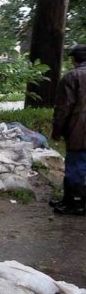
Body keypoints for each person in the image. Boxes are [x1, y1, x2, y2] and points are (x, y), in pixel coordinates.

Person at [50, 44, 86, 215]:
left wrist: (57, 131)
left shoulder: (71, 77)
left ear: (74, 59)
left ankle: (74, 203)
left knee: (75, 166)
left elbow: (63, 109)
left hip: (79, 130)